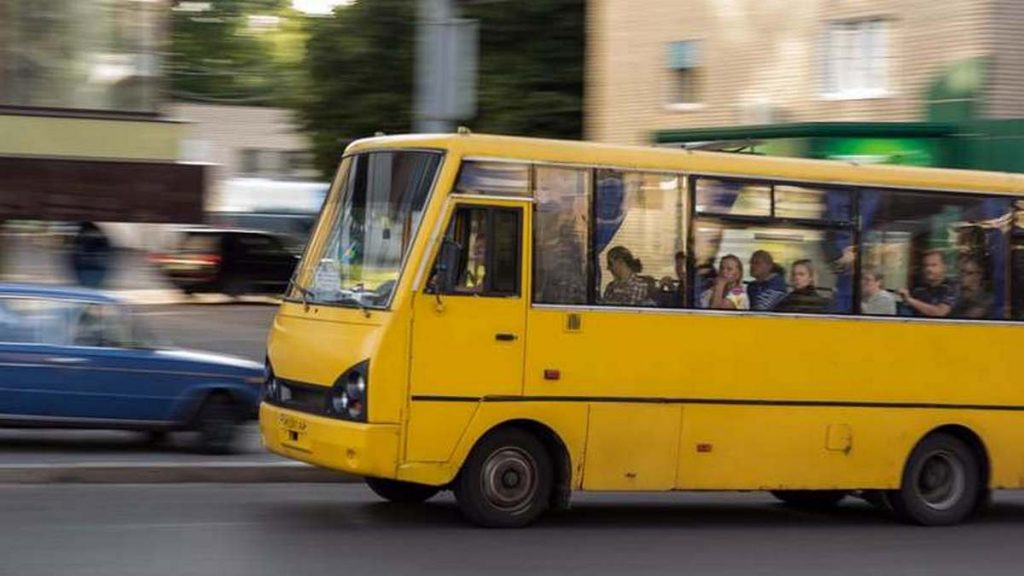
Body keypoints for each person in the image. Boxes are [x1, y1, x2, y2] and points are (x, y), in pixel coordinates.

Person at [898, 250, 957, 318]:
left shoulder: (952, 287)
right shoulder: (919, 289)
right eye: (925, 265)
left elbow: (939, 312)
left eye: (933, 265)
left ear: (944, 267)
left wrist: (909, 300)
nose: (928, 269)